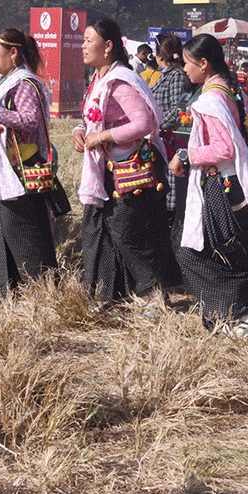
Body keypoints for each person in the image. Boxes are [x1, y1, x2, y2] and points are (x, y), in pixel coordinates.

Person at [170, 33, 248, 335]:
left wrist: (188, 153)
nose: (185, 70)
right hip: (242, 185)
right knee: (237, 253)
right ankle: (238, 318)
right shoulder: (233, 91)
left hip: (224, 188)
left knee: (196, 255)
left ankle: (240, 311)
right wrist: (241, 148)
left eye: (187, 63)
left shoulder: (208, 100)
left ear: (203, 64)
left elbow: (223, 150)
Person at [72, 17, 182, 307]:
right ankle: (113, 295)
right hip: (108, 169)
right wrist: (80, 131)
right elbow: (91, 117)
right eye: (82, 40)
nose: (82, 46)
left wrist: (103, 136)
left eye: (88, 40)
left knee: (128, 233)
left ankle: (155, 296)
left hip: (127, 169)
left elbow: (143, 122)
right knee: (104, 231)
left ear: (108, 46)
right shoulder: (99, 78)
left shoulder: (119, 81)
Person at [0, 28, 59, 295]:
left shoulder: (25, 84)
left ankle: (39, 290)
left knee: (21, 232)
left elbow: (30, 121)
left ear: (13, 53)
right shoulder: (0, 82)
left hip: (16, 170)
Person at [150, 32, 195, 237]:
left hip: (172, 141)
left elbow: (178, 109)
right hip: (162, 139)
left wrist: (156, 125)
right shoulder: (165, 75)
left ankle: (176, 233)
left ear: (160, 56)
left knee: (174, 197)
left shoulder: (176, 77)